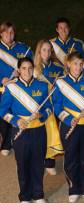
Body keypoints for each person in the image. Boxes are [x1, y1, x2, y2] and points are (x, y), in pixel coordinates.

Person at [0, 57, 52, 203]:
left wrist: (42, 114)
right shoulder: (11, 87)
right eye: (24, 68)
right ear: (19, 70)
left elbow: (49, 108)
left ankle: (38, 194)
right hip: (20, 130)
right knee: (22, 164)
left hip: (38, 130)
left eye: (30, 68)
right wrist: (16, 121)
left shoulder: (42, 86)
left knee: (37, 163)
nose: (27, 71)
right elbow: (2, 110)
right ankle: (24, 195)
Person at [52, 51, 84, 203]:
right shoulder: (60, 82)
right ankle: (73, 187)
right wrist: (69, 119)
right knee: (71, 157)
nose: (78, 67)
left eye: (80, 64)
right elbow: (57, 107)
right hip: (69, 125)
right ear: (68, 64)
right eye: (75, 64)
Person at [0, 21, 33, 156]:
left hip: (18, 89)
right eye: (6, 32)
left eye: (12, 32)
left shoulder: (23, 49)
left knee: (14, 114)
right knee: (2, 116)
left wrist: (21, 73)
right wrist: (2, 79)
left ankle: (8, 143)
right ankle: (7, 140)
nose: (9, 34)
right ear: (1, 33)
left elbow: (32, 66)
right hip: (1, 89)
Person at [34, 39, 64, 175]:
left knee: (54, 132)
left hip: (56, 104)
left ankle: (50, 159)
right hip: (41, 105)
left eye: (48, 50)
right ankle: (43, 160)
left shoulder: (57, 67)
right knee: (42, 134)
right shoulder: (33, 69)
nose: (46, 52)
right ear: (39, 52)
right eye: (43, 50)